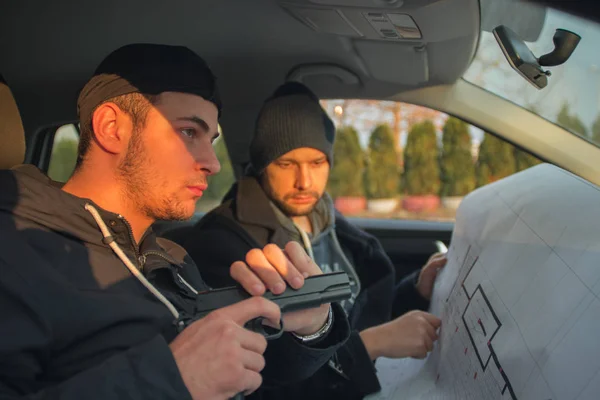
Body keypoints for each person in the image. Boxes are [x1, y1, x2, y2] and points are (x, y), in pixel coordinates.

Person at [0, 45, 350, 400]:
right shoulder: (16, 254)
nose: (212, 163)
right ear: (111, 128)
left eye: (211, 140)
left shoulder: (173, 258)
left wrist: (312, 326)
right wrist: (170, 379)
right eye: (188, 132)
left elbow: (245, 378)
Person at [181, 82, 447, 399]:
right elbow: (261, 382)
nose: (304, 181)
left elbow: (361, 311)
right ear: (263, 167)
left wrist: (415, 292)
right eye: (286, 163)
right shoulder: (223, 247)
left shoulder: (330, 223)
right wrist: (370, 345)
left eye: (317, 163)